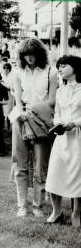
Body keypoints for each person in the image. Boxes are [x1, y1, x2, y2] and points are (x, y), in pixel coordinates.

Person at [11, 38, 57, 218]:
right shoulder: (17, 72)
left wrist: (32, 113)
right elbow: (18, 101)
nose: (30, 58)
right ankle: (22, 205)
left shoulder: (50, 71)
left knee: (40, 165)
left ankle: (38, 204)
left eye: (33, 54)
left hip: (41, 120)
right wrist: (24, 116)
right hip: (21, 119)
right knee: (20, 163)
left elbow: (51, 100)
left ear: (40, 54)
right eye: (26, 55)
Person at [45, 55, 81, 227]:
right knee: (54, 172)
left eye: (63, 66)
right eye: (58, 66)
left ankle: (76, 214)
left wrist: (74, 123)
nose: (59, 69)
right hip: (62, 138)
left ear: (75, 68)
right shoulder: (60, 91)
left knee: (77, 176)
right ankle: (56, 211)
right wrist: (57, 123)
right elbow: (57, 113)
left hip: (78, 137)